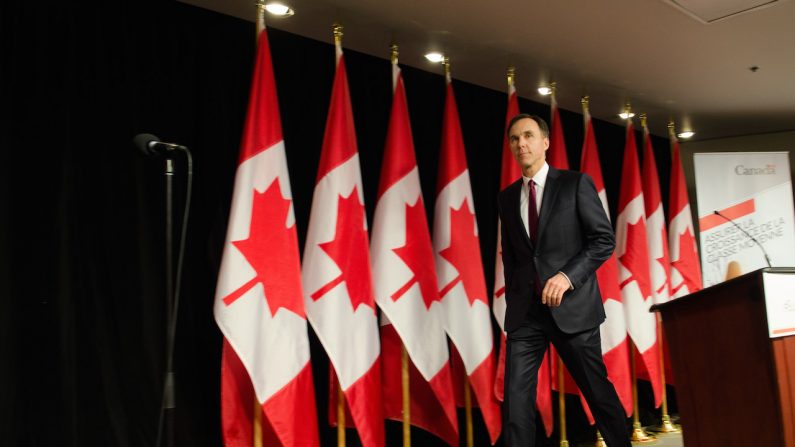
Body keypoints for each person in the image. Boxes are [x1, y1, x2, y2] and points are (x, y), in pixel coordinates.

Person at [498, 114, 630, 446]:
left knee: (597, 393)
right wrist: (516, 297)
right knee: (515, 402)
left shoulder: (575, 184)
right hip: (526, 315)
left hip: (572, 310)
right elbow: (513, 257)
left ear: (545, 142)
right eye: (515, 138)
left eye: (528, 136)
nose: (521, 143)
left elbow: (603, 240)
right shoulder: (507, 197)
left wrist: (566, 277)